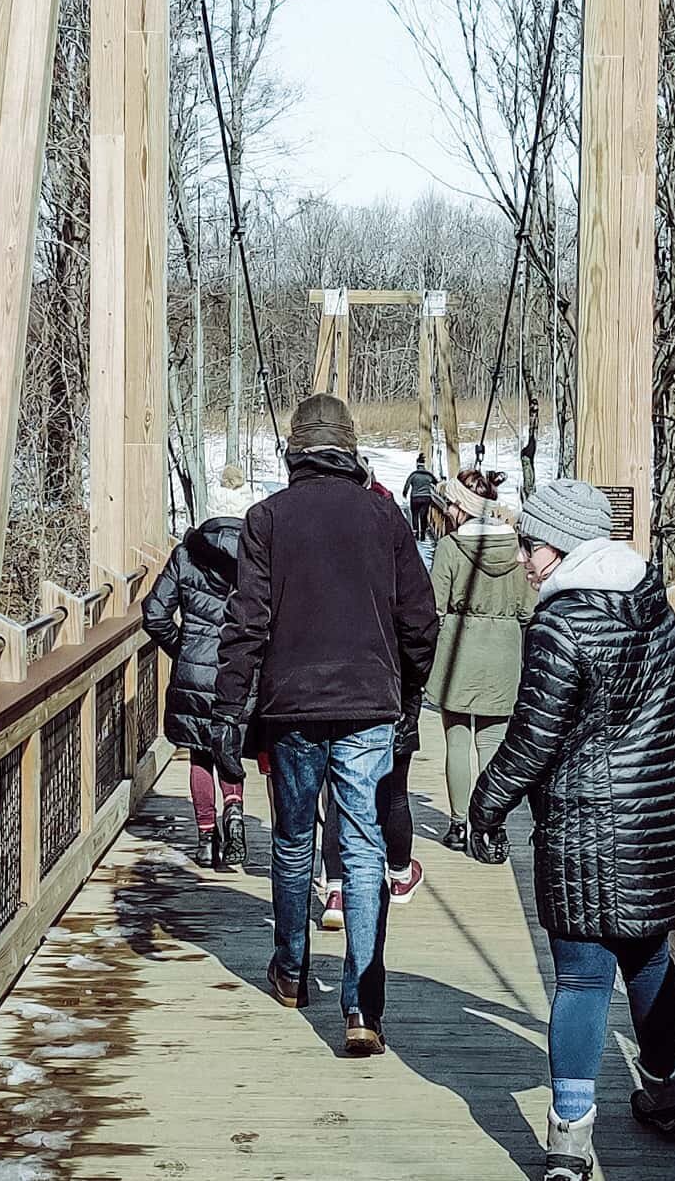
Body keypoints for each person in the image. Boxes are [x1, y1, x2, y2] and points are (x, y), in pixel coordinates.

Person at [469, 478, 675, 1181]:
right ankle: (665, 1096)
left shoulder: (559, 622)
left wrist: (486, 805)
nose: (523, 559)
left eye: (530, 545)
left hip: (583, 828)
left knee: (581, 980)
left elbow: (532, 737)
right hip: (657, 822)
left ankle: (569, 1146)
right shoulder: (653, 603)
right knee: (648, 960)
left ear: (565, 545)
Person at [212, 392, 438, 1057]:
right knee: (365, 846)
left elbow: (246, 621)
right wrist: (409, 690)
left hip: (291, 707)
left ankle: (289, 969)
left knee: (291, 840)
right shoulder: (385, 517)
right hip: (369, 705)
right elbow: (420, 621)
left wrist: (229, 707)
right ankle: (363, 1005)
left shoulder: (267, 519)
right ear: (350, 448)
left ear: (295, 450)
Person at [426, 469, 529, 859]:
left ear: (460, 507)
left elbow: (434, 605)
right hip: (503, 652)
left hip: (458, 650)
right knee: (492, 742)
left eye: (451, 502)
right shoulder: (517, 548)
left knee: (457, 740)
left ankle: (457, 825)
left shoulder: (451, 548)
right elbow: (527, 608)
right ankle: (489, 824)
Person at [141, 516, 249, 869]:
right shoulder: (256, 557)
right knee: (228, 744)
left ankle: (205, 840)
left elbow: (155, 615)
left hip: (193, 674)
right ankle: (233, 807)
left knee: (200, 755)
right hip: (239, 673)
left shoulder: (186, 555)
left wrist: (184, 651)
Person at [318, 684, 425, 926]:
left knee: (338, 797)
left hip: (336, 700)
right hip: (390, 696)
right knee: (395, 794)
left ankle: (336, 891)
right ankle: (400, 876)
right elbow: (418, 649)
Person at [402, 452, 437, 538]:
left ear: (417, 464)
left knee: (415, 514)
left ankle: (416, 533)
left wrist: (404, 493)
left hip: (415, 497)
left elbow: (407, 484)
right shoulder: (428, 475)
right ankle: (423, 534)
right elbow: (436, 482)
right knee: (423, 515)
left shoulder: (413, 475)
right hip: (426, 497)